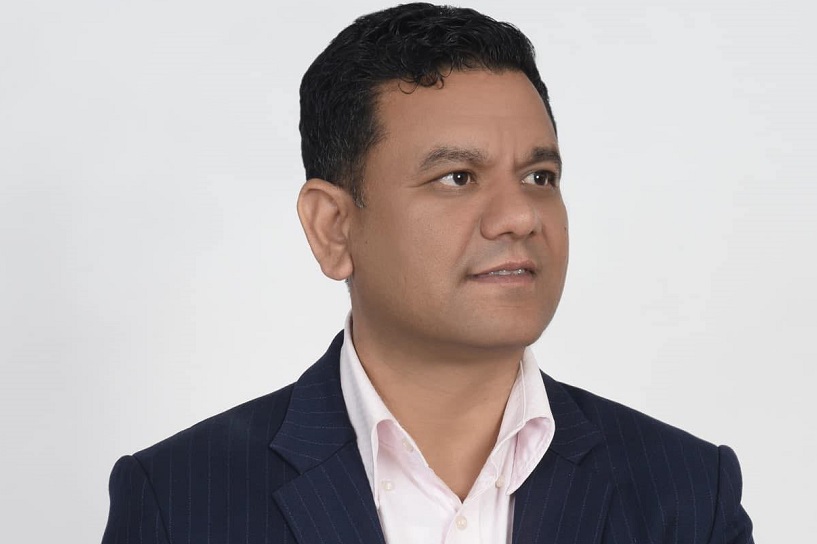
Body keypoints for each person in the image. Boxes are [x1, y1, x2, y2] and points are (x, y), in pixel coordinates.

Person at [101, 3, 754, 543]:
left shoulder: (687, 494)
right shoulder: (181, 501)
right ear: (333, 227)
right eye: (458, 178)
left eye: (539, 176)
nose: (520, 216)